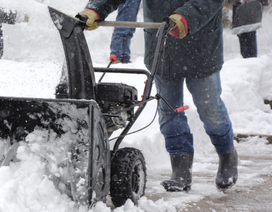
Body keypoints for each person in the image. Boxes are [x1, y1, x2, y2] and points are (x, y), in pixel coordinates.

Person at [79, 0, 238, 192]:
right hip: (163, 48)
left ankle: (227, 154)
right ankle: (180, 171)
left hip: (201, 46)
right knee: (169, 111)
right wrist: (96, 8)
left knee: (210, 110)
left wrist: (185, 17)